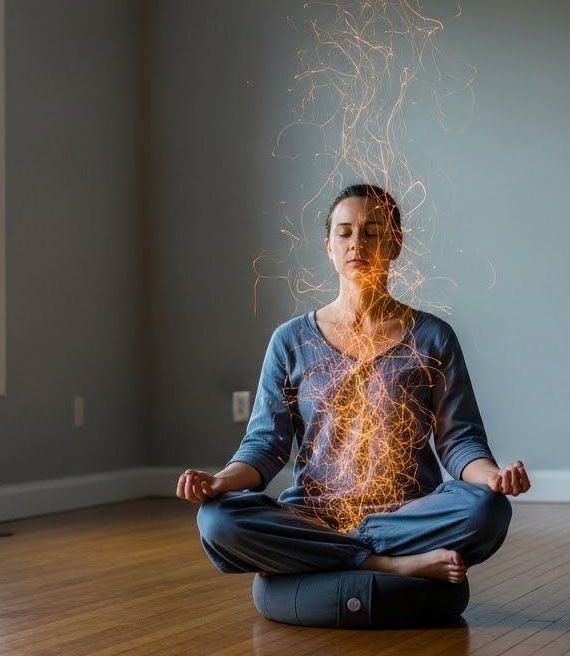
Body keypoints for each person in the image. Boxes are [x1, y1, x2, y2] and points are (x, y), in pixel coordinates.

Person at [177, 184, 531, 583]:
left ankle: (322, 552)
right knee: (218, 519)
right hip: (314, 513)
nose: (356, 243)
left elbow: (459, 439)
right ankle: (386, 563)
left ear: (395, 245)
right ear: (328, 246)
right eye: (344, 232)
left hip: (406, 514)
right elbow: (265, 445)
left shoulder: (433, 336)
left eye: (372, 232)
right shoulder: (290, 340)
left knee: (488, 510)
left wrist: (493, 478)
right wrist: (219, 481)